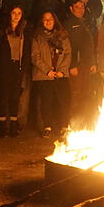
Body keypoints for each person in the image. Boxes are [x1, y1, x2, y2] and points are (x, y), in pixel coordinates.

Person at [0, 4, 31, 137]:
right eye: (14, 12)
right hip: (4, 67)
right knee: (3, 95)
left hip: (17, 67)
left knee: (15, 96)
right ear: (10, 14)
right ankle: (2, 125)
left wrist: (23, 67)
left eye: (19, 13)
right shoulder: (1, 30)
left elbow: (27, 51)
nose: (16, 16)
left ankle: (13, 124)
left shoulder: (24, 31)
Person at [31, 10, 72, 140]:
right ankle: (47, 127)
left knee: (63, 101)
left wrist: (62, 70)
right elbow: (35, 56)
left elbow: (67, 53)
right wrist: (47, 71)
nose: (48, 21)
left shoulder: (62, 36)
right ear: (42, 22)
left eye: (50, 19)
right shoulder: (37, 37)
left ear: (55, 21)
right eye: (45, 19)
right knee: (46, 102)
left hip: (60, 74)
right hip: (44, 76)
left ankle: (63, 126)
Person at [64, 0, 98, 128]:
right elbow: (67, 47)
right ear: (71, 9)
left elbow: (91, 45)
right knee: (75, 96)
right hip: (76, 66)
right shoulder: (68, 24)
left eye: (82, 7)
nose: (80, 10)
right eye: (77, 7)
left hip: (87, 65)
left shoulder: (87, 23)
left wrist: (93, 62)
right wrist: (72, 65)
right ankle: (73, 124)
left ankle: (84, 123)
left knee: (86, 94)